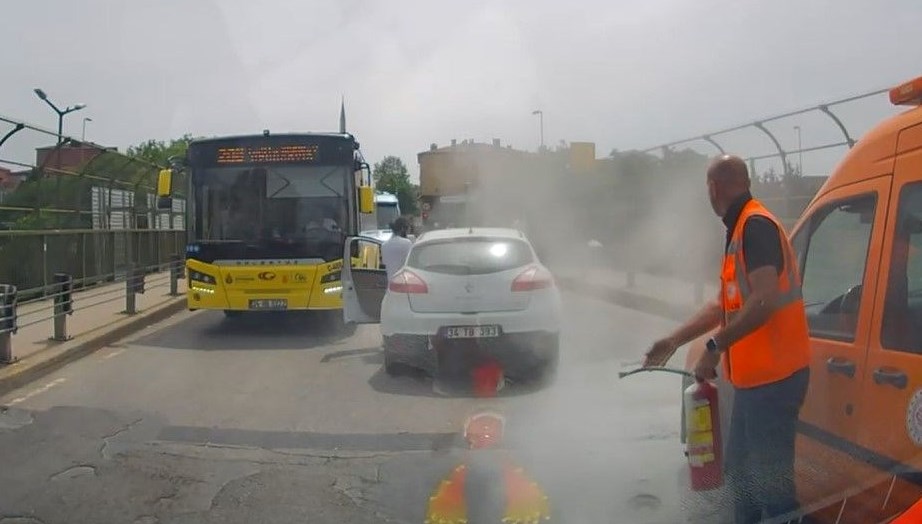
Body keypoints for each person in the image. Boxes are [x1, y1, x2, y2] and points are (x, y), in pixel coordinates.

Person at [643, 155, 811, 523]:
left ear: (713, 188)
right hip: (755, 382)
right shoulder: (739, 230)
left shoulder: (755, 226)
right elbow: (723, 306)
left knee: (773, 489)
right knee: (740, 476)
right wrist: (673, 340)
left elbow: (763, 300)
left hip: (776, 381)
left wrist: (714, 348)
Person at [381, 216, 413, 281]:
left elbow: (385, 264)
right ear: (402, 229)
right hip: (404, 282)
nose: (408, 232)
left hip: (390, 284)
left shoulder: (384, 245)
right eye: (408, 230)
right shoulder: (407, 243)